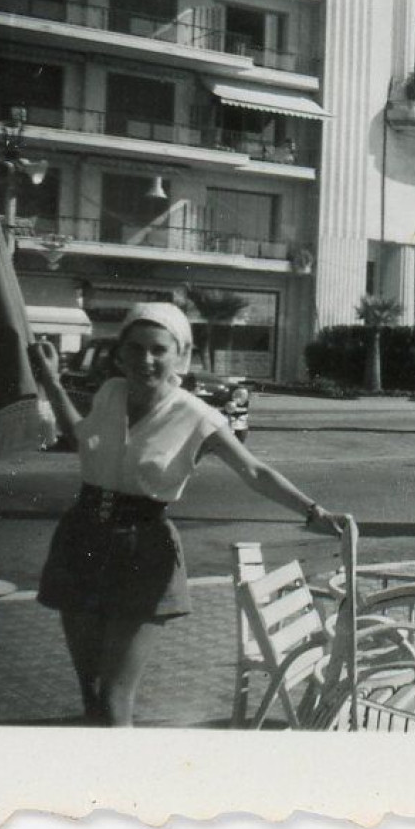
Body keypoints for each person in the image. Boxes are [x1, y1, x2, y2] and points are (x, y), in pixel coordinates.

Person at [27, 301, 350, 726]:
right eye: (136, 348)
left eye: (159, 349)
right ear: (120, 353)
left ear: (180, 355)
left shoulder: (196, 416)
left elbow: (254, 471)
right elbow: (81, 438)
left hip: (141, 552)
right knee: (89, 690)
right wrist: (48, 380)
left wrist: (314, 511)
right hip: (81, 540)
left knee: (113, 697)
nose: (147, 359)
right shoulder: (110, 394)